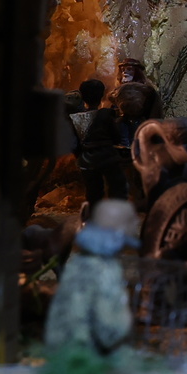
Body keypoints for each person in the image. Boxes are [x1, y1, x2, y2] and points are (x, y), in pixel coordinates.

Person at [44, 199, 137, 354]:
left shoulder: (78, 263)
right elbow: (109, 331)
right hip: (85, 352)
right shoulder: (104, 270)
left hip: (63, 348)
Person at [69, 78, 130, 210]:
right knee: (117, 186)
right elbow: (116, 137)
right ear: (102, 95)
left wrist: (79, 156)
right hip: (107, 156)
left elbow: (74, 143)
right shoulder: (106, 114)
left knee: (93, 192)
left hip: (86, 160)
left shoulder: (75, 117)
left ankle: (94, 215)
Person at [108, 58, 163, 149]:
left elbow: (153, 110)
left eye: (129, 69)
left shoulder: (146, 90)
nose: (125, 72)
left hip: (139, 122)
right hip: (122, 123)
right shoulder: (118, 90)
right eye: (123, 70)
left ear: (136, 72)